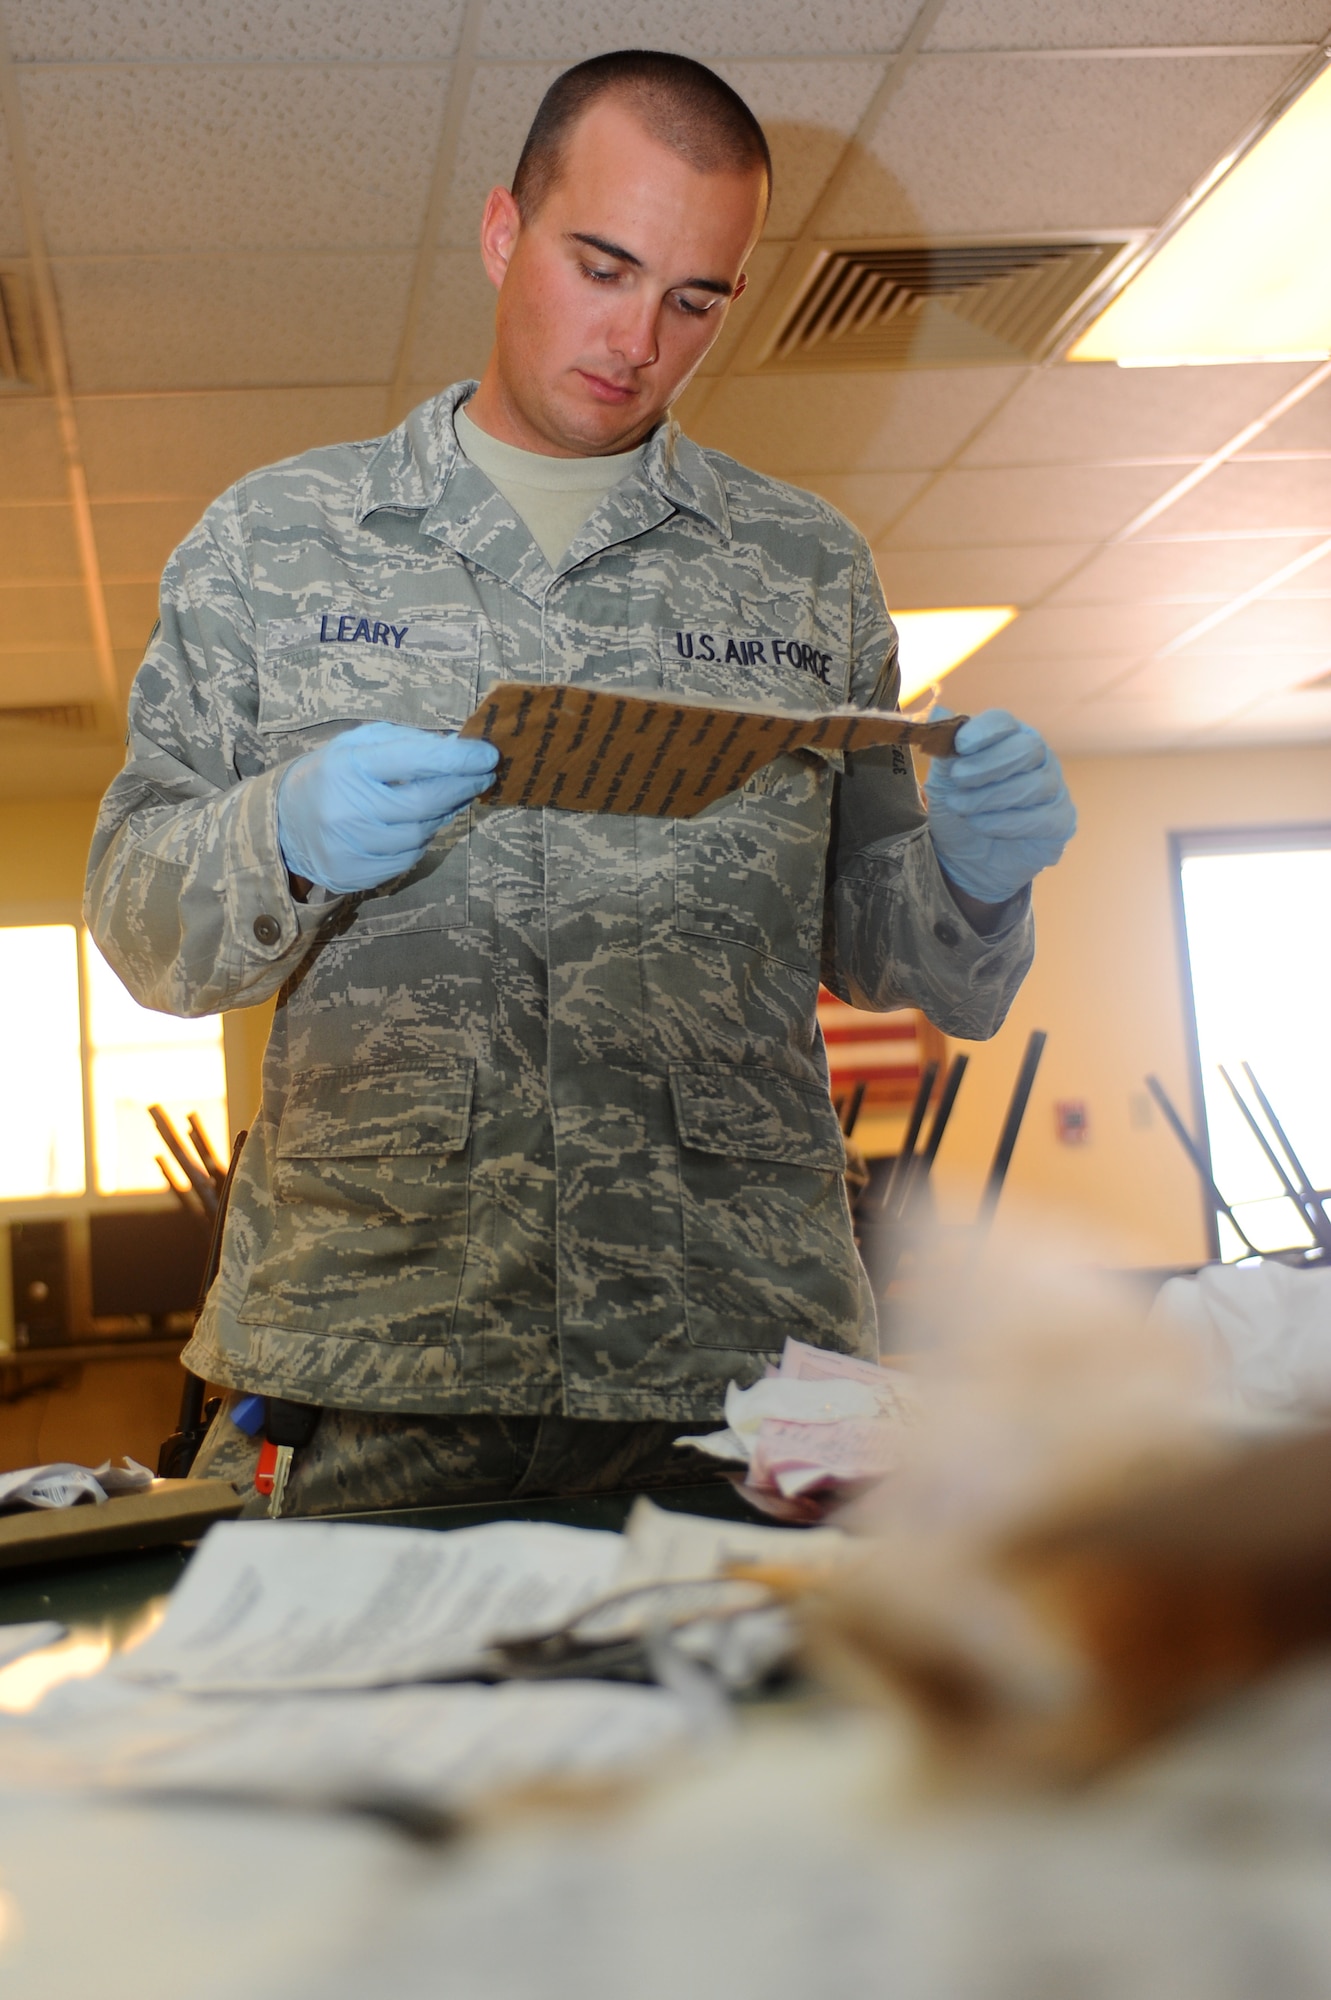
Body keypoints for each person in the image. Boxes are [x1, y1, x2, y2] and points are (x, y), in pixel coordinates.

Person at [85, 50, 1074, 1515]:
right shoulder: (275, 542)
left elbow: (878, 939)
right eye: (602, 266)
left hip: (735, 1373)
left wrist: (975, 877)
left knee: (767, 1746)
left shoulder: (804, 572)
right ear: (502, 233)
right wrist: (274, 834)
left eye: (696, 298)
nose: (639, 338)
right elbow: (137, 917)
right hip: (375, 1360)